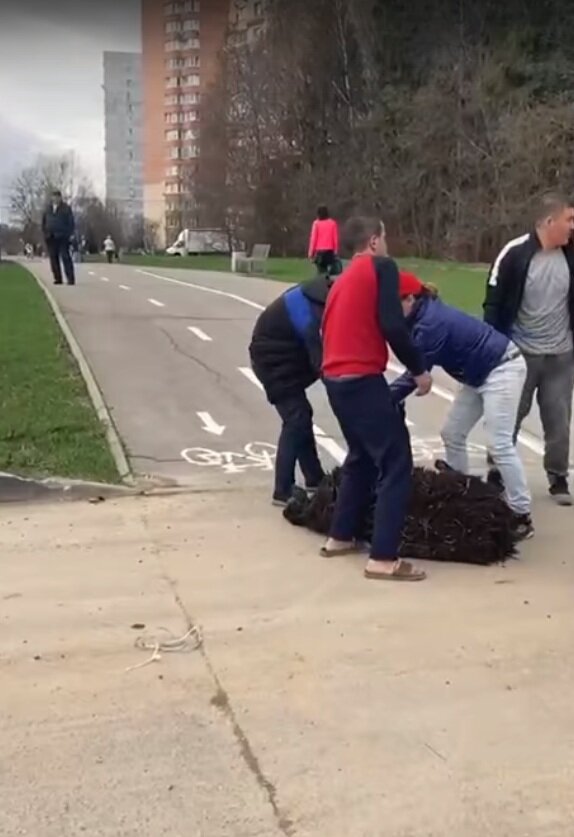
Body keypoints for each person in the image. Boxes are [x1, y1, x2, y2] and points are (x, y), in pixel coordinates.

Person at [320, 216, 432, 582]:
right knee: (396, 461)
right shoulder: (381, 267)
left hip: (335, 379)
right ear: (372, 242)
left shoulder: (343, 279)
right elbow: (391, 322)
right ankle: (383, 558)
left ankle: (340, 536)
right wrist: (419, 369)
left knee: (362, 457)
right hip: (361, 378)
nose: (386, 244)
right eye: (383, 237)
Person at [390, 273, 533, 539]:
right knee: (452, 433)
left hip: (503, 367)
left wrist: (383, 400)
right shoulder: (417, 316)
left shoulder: (430, 323)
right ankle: (460, 490)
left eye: (391, 302)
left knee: (499, 443)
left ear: (410, 298)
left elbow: (416, 373)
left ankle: (521, 513)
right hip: (480, 373)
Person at [483, 191, 574, 505]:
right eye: (569, 219)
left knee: (559, 418)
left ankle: (558, 476)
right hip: (520, 353)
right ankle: (496, 470)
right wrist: (494, 348)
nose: (572, 226)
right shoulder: (515, 253)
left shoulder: (570, 253)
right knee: (509, 415)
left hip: (561, 354)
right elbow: (493, 302)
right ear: (549, 222)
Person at [249, 274, 332, 505]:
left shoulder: (315, 295)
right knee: (296, 419)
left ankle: (314, 478)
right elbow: (321, 363)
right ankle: (282, 490)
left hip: (287, 359)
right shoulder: (309, 316)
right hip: (273, 364)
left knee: (302, 416)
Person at [42, 190, 75, 286]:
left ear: (60, 198)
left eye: (57, 197)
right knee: (53, 258)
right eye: (54, 197)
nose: (55, 199)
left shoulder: (66, 208)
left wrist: (69, 233)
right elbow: (44, 222)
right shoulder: (47, 209)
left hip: (62, 236)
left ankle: (70, 278)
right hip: (50, 236)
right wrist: (45, 233)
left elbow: (71, 222)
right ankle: (58, 278)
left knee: (65, 257)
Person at [308, 205, 340, 277]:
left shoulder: (316, 223)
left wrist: (310, 253)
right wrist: (336, 252)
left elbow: (313, 239)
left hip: (319, 252)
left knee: (321, 271)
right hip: (330, 251)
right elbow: (335, 239)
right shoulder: (333, 223)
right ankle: (328, 282)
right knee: (329, 271)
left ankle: (322, 284)